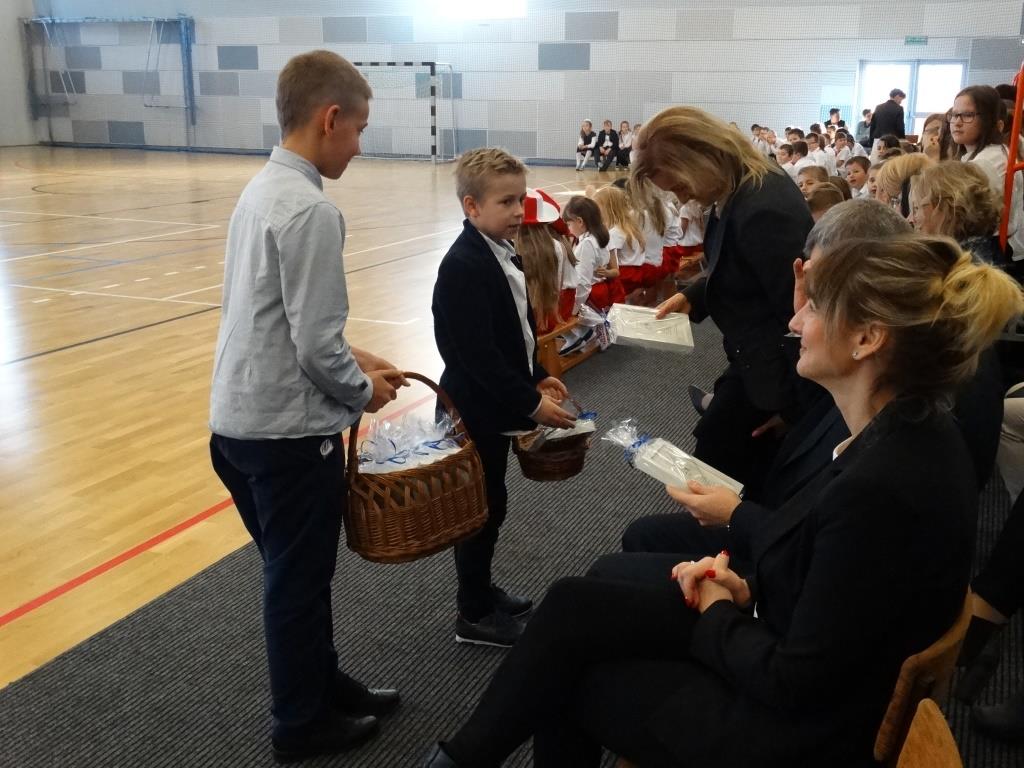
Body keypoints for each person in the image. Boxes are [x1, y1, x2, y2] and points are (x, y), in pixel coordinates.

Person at [421, 234, 1024, 768]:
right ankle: (463, 757)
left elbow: (794, 680)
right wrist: (743, 588)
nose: (795, 322)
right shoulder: (909, 432)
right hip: (796, 652)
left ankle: (462, 757)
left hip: (797, 734)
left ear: (867, 338)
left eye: (815, 307)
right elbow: (833, 592)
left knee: (570, 674)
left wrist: (718, 609)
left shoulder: (881, 484)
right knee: (572, 605)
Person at [208, 50, 408, 763]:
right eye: (359, 129)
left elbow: (281, 320)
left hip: (236, 425)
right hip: (286, 437)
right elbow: (317, 348)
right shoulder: (311, 210)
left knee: (298, 576)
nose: (359, 145)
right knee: (296, 585)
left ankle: (322, 684)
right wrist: (364, 390)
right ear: (330, 119)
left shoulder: (262, 190)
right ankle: (300, 722)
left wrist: (359, 356)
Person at [432, 147, 576, 647]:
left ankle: (480, 588)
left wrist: (536, 375)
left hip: (495, 401)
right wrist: (531, 405)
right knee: (479, 509)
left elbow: (515, 333)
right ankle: (472, 613)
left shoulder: (499, 249)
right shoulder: (463, 265)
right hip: (473, 407)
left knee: (492, 503)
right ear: (471, 207)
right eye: (506, 202)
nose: (518, 212)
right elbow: (479, 357)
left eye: (520, 199)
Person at [638, 106, 814, 493]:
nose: (683, 196)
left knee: (723, 470)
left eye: (681, 185)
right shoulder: (739, 189)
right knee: (714, 455)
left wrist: (795, 410)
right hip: (755, 361)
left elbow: (800, 316)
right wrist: (693, 296)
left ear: (702, 158)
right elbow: (739, 265)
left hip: (777, 376)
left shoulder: (763, 207)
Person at [950, 84, 1024, 258]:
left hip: (990, 250)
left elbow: (965, 217)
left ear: (991, 121)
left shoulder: (987, 161)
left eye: (968, 115)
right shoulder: (992, 153)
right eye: (954, 114)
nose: (957, 122)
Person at [908, 161, 1006, 266]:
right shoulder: (978, 254)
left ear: (947, 210)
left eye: (916, 208)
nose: (911, 219)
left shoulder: (964, 267)